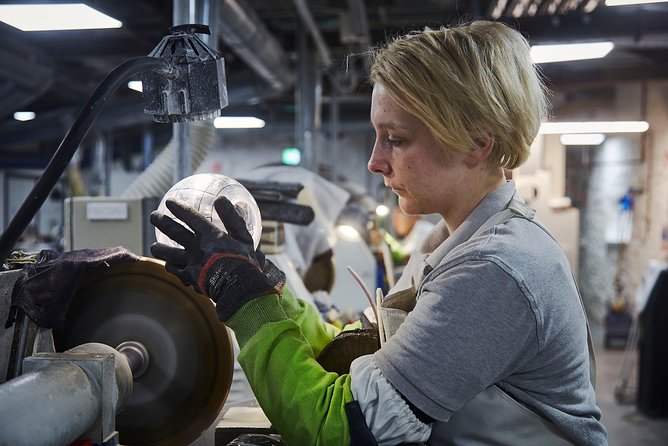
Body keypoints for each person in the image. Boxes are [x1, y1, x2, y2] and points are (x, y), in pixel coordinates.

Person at [150, 20, 608, 445]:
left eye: (396, 138)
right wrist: (265, 283)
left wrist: (246, 305)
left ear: (477, 143)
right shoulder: (450, 243)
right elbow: (353, 353)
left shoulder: (495, 269)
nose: (375, 161)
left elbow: (343, 428)